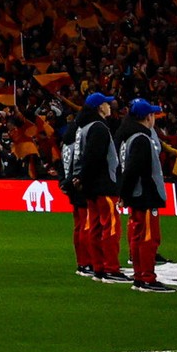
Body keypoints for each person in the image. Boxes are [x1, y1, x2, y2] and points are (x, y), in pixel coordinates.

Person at [114, 100, 173, 288]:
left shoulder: (129, 137)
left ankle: (140, 275)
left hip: (137, 195)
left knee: (139, 236)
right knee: (149, 237)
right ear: (148, 117)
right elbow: (135, 170)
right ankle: (146, 277)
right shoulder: (141, 138)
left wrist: (125, 194)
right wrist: (129, 193)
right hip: (145, 195)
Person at [62, 93, 120, 279]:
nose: (110, 105)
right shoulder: (98, 128)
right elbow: (93, 157)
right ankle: (109, 267)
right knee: (109, 226)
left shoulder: (81, 129)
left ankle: (96, 265)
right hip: (103, 185)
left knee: (91, 227)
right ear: (99, 107)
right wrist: (79, 177)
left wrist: (75, 178)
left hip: (89, 186)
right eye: (106, 103)